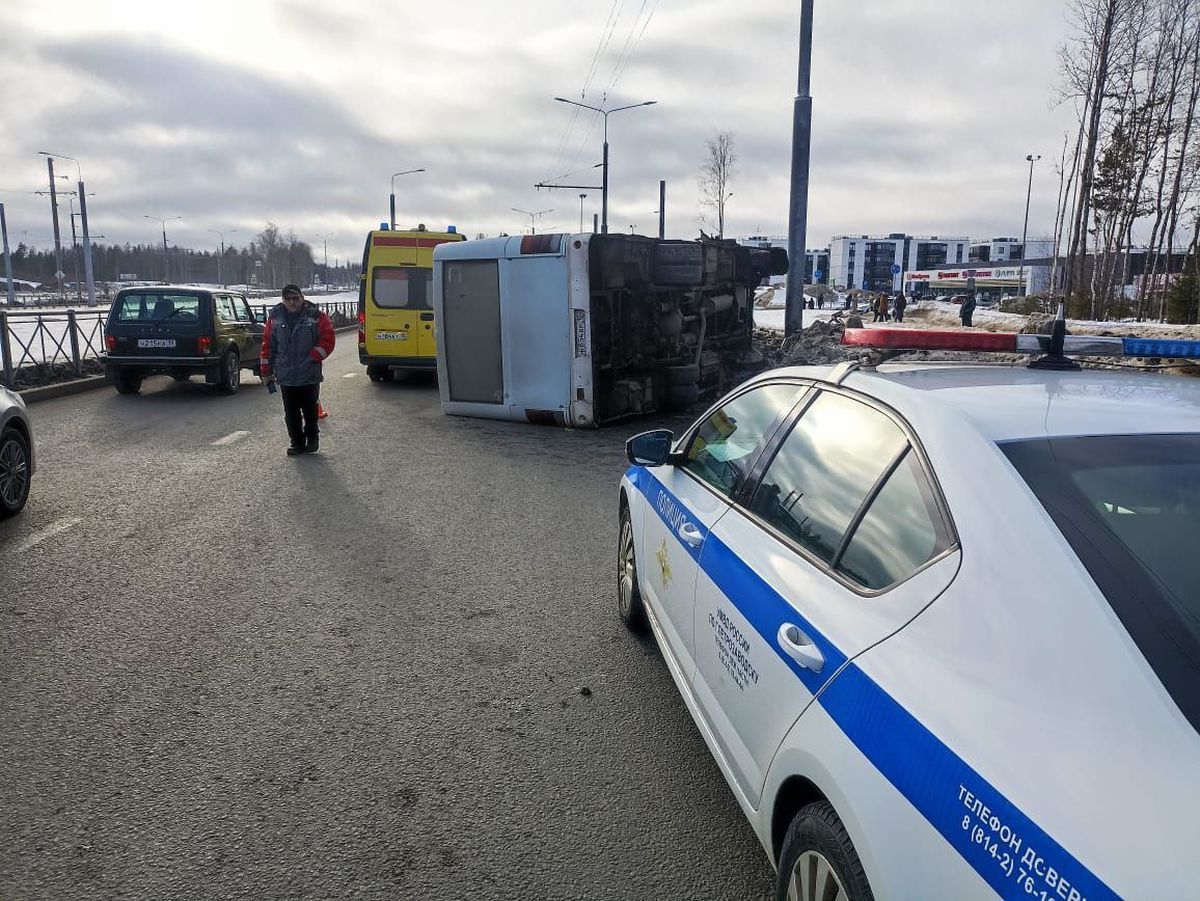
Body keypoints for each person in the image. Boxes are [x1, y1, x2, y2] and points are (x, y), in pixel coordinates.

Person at [260, 285, 336, 455]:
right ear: (283, 301)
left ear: (302, 298)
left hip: (309, 374)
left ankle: (312, 439)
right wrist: (266, 371)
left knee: (310, 410)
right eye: (288, 299)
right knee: (291, 413)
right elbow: (267, 345)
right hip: (286, 375)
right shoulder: (275, 318)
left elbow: (328, 340)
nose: (292, 302)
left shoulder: (316, 316)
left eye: (295, 298)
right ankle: (297, 443)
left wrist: (312, 357)